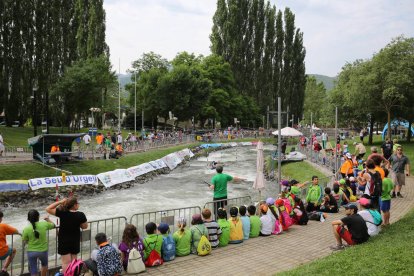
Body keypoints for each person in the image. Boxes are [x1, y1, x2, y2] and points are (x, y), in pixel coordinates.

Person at [45, 197, 88, 272]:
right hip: (75, 240)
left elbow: (48, 208)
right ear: (74, 205)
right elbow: (85, 226)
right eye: (78, 203)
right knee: (74, 261)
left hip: (63, 240)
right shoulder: (81, 215)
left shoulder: (62, 212)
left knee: (65, 262)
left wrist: (60, 202)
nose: (78, 205)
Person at [22, 210, 55, 276]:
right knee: (44, 265)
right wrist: (48, 219)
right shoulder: (44, 224)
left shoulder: (26, 228)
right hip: (43, 251)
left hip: (31, 251)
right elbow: (53, 225)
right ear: (38, 217)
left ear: (28, 219)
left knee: (33, 270)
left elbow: (24, 241)